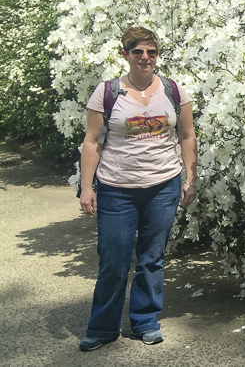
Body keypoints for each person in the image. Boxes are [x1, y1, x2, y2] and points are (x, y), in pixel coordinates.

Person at [77, 26, 197, 351]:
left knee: (151, 258)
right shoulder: (108, 92)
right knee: (113, 260)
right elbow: (92, 142)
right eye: (138, 52)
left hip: (163, 187)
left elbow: (187, 136)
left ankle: (145, 321)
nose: (145, 58)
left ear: (157, 55)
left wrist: (190, 177)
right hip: (117, 190)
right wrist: (86, 188)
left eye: (151, 52)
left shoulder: (173, 91)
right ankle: (103, 328)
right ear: (125, 54)